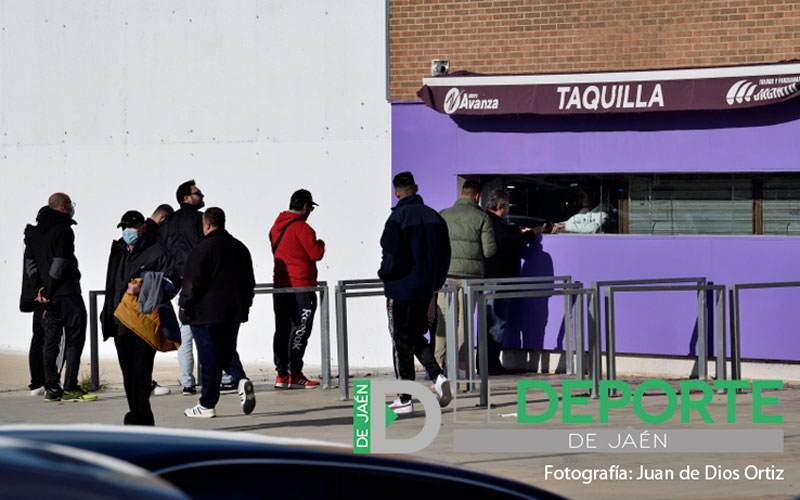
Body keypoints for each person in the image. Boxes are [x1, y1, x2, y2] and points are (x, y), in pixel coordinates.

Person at [379, 172, 452, 413]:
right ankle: (437, 376)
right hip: (425, 288)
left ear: (396, 192)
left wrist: (385, 275)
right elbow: (445, 255)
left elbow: (390, 254)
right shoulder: (434, 217)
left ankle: (405, 397)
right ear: (416, 188)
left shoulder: (397, 217)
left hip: (400, 288)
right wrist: (435, 283)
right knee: (415, 336)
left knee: (401, 339)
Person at [180, 208, 256, 418]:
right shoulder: (240, 248)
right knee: (226, 351)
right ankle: (240, 380)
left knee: (209, 356)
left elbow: (192, 281)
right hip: (232, 312)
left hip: (205, 313)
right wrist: (246, 303)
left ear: (206, 224)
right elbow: (249, 281)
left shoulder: (202, 249)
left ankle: (207, 404)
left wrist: (184, 303)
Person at [100, 210, 174, 425]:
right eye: (124, 228)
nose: (127, 232)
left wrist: (142, 287)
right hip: (120, 319)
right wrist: (108, 315)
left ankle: (137, 418)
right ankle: (140, 418)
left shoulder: (157, 250)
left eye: (131, 227)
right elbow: (111, 284)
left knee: (141, 373)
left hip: (144, 321)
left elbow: (171, 283)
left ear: (142, 227)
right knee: (128, 373)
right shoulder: (118, 249)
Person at [25, 193, 88, 402]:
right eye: (69, 204)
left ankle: (51, 386)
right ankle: (70, 384)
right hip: (67, 293)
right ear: (63, 207)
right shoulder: (64, 230)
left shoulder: (34, 233)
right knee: (74, 338)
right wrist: (49, 289)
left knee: (50, 340)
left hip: (46, 298)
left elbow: (31, 265)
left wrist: (40, 290)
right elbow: (60, 262)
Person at [435, 180, 497, 372]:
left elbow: (436, 244)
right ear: (477, 196)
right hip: (471, 277)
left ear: (462, 193)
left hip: (446, 273)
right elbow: (489, 251)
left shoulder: (444, 214)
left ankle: (437, 363)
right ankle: (461, 364)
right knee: (465, 319)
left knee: (444, 317)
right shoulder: (482, 217)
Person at [269, 189, 325, 389]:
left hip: (280, 287)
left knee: (282, 329)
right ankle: (295, 373)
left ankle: (281, 374)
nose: (310, 212)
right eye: (310, 208)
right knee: (301, 328)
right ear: (304, 207)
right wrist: (321, 243)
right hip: (301, 286)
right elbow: (316, 253)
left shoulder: (276, 227)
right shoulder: (303, 228)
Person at [484, 189, 543, 374]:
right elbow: (508, 243)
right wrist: (531, 234)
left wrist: (519, 231)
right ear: (500, 206)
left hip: (492, 278)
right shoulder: (493, 223)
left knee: (492, 322)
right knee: (496, 322)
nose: (509, 209)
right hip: (497, 279)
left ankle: (488, 363)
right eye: (508, 206)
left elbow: (507, 232)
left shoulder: (490, 221)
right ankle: (491, 364)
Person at [159, 180, 204, 395]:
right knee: (206, 330)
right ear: (186, 198)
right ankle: (218, 375)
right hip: (196, 281)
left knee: (185, 335)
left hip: (175, 281)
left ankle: (187, 382)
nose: (202, 196)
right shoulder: (199, 219)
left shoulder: (168, 223)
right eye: (198, 193)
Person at [20, 206, 65, 397]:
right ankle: (50, 381)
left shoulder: (32, 238)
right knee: (54, 339)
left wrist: (36, 290)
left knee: (39, 337)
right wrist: (45, 290)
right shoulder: (48, 237)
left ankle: (37, 382)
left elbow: (31, 268)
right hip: (48, 294)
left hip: (36, 295)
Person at [144, 203, 175, 397]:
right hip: (149, 294)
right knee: (148, 340)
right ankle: (146, 382)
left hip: (141, 293)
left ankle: (144, 381)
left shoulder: (143, 231)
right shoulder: (154, 235)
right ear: (163, 218)